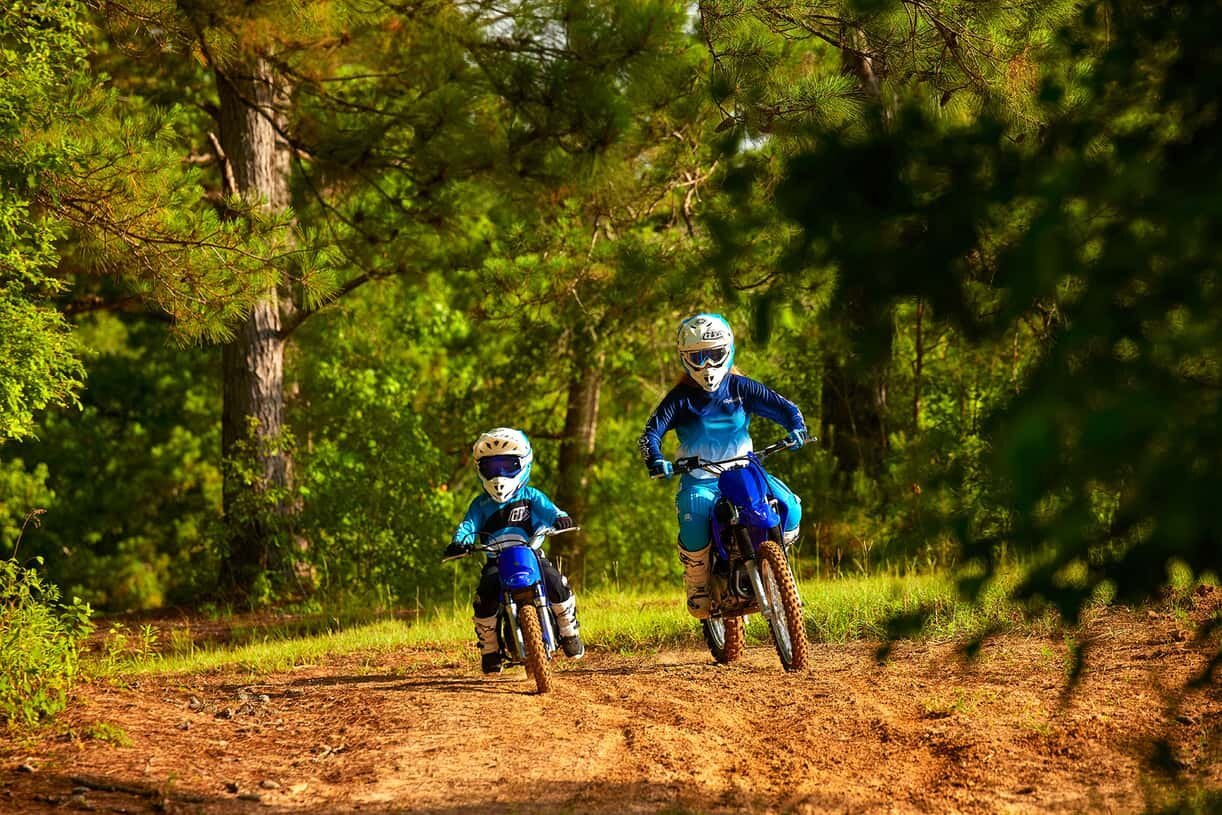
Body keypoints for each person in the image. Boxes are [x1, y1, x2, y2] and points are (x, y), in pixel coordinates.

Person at [638, 313, 808, 618]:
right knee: (693, 520)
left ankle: (776, 567)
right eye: (698, 357)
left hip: (746, 472)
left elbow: (786, 408)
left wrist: (797, 428)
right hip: (700, 479)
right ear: (685, 358)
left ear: (728, 351)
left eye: (714, 355)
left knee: (790, 507)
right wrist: (656, 459)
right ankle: (697, 584)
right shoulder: (679, 399)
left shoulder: (741, 388)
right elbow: (650, 434)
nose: (707, 365)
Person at [443, 427, 585, 673]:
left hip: (531, 555)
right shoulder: (480, 504)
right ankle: (490, 649)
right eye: (491, 468)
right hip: (496, 561)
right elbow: (468, 526)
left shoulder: (531, 496)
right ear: (480, 470)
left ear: (524, 464)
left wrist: (560, 519)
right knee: (484, 598)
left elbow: (550, 511)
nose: (499, 475)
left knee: (555, 582)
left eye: (507, 466)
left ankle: (568, 630)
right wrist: (460, 542)